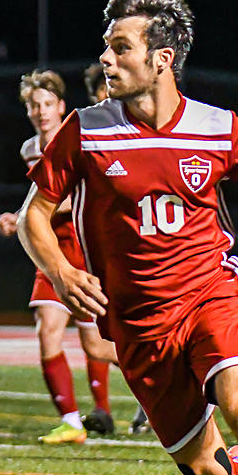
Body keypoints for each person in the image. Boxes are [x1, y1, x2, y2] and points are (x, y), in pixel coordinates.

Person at [19, 0, 238, 475]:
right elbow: (32, 216)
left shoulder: (220, 129)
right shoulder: (84, 131)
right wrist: (59, 272)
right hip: (138, 327)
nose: (106, 57)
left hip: (208, 298)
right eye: (107, 45)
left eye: (121, 46)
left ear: (162, 58)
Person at [0, 71, 117, 443]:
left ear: (61, 107)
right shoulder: (30, 149)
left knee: (96, 344)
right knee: (47, 332)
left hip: (83, 250)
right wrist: (16, 218)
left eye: (47, 104)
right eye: (34, 105)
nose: (40, 111)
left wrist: (30, 217)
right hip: (50, 253)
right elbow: (39, 199)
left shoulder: (80, 139)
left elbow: (77, 197)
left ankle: (165, 371)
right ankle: (72, 422)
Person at [84, 62, 152, 436]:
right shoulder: (85, 133)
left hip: (118, 259)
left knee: (103, 342)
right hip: (80, 257)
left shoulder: (135, 139)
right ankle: (106, 409)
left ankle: (160, 392)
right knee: (96, 341)